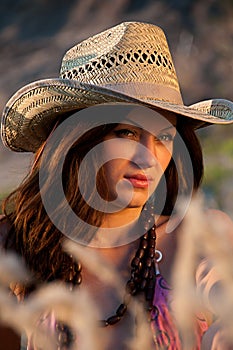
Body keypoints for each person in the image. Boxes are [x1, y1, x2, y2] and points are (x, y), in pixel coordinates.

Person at [0, 21, 233, 350]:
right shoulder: (17, 245)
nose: (150, 159)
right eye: (127, 133)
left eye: (165, 137)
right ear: (79, 139)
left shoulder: (197, 235)